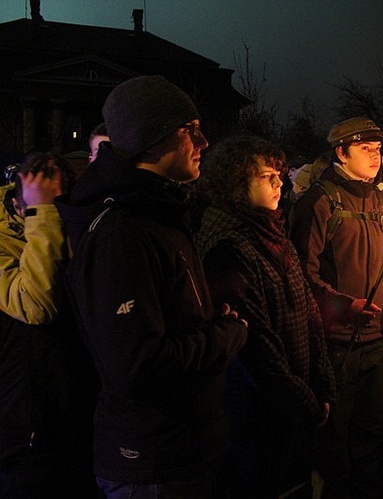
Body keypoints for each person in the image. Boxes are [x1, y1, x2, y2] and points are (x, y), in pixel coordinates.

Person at [56, 75, 248, 498]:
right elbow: (138, 366)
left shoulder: (158, 213)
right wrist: (225, 336)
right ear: (153, 137)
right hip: (152, 463)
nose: (204, 142)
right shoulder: (122, 233)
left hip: (182, 449)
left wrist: (209, 317)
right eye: (190, 130)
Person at [195, 135, 336, 497]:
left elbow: (309, 314)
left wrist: (322, 383)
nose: (280, 184)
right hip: (256, 413)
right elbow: (256, 351)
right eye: (267, 177)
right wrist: (305, 402)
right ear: (236, 183)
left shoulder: (276, 236)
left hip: (296, 402)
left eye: (279, 175)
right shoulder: (228, 249)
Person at [289, 116, 383, 498]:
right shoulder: (320, 202)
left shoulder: (381, 200)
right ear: (341, 152)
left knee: (372, 433)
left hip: (375, 341)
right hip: (336, 343)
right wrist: (343, 306)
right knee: (335, 437)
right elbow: (302, 277)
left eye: (377, 150)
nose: (375, 158)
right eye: (365, 150)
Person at [0, 153, 98, 498]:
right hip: (24, 439)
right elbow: (36, 304)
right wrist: (40, 213)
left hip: (76, 421)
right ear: (15, 204)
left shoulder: (64, 227)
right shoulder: (5, 241)